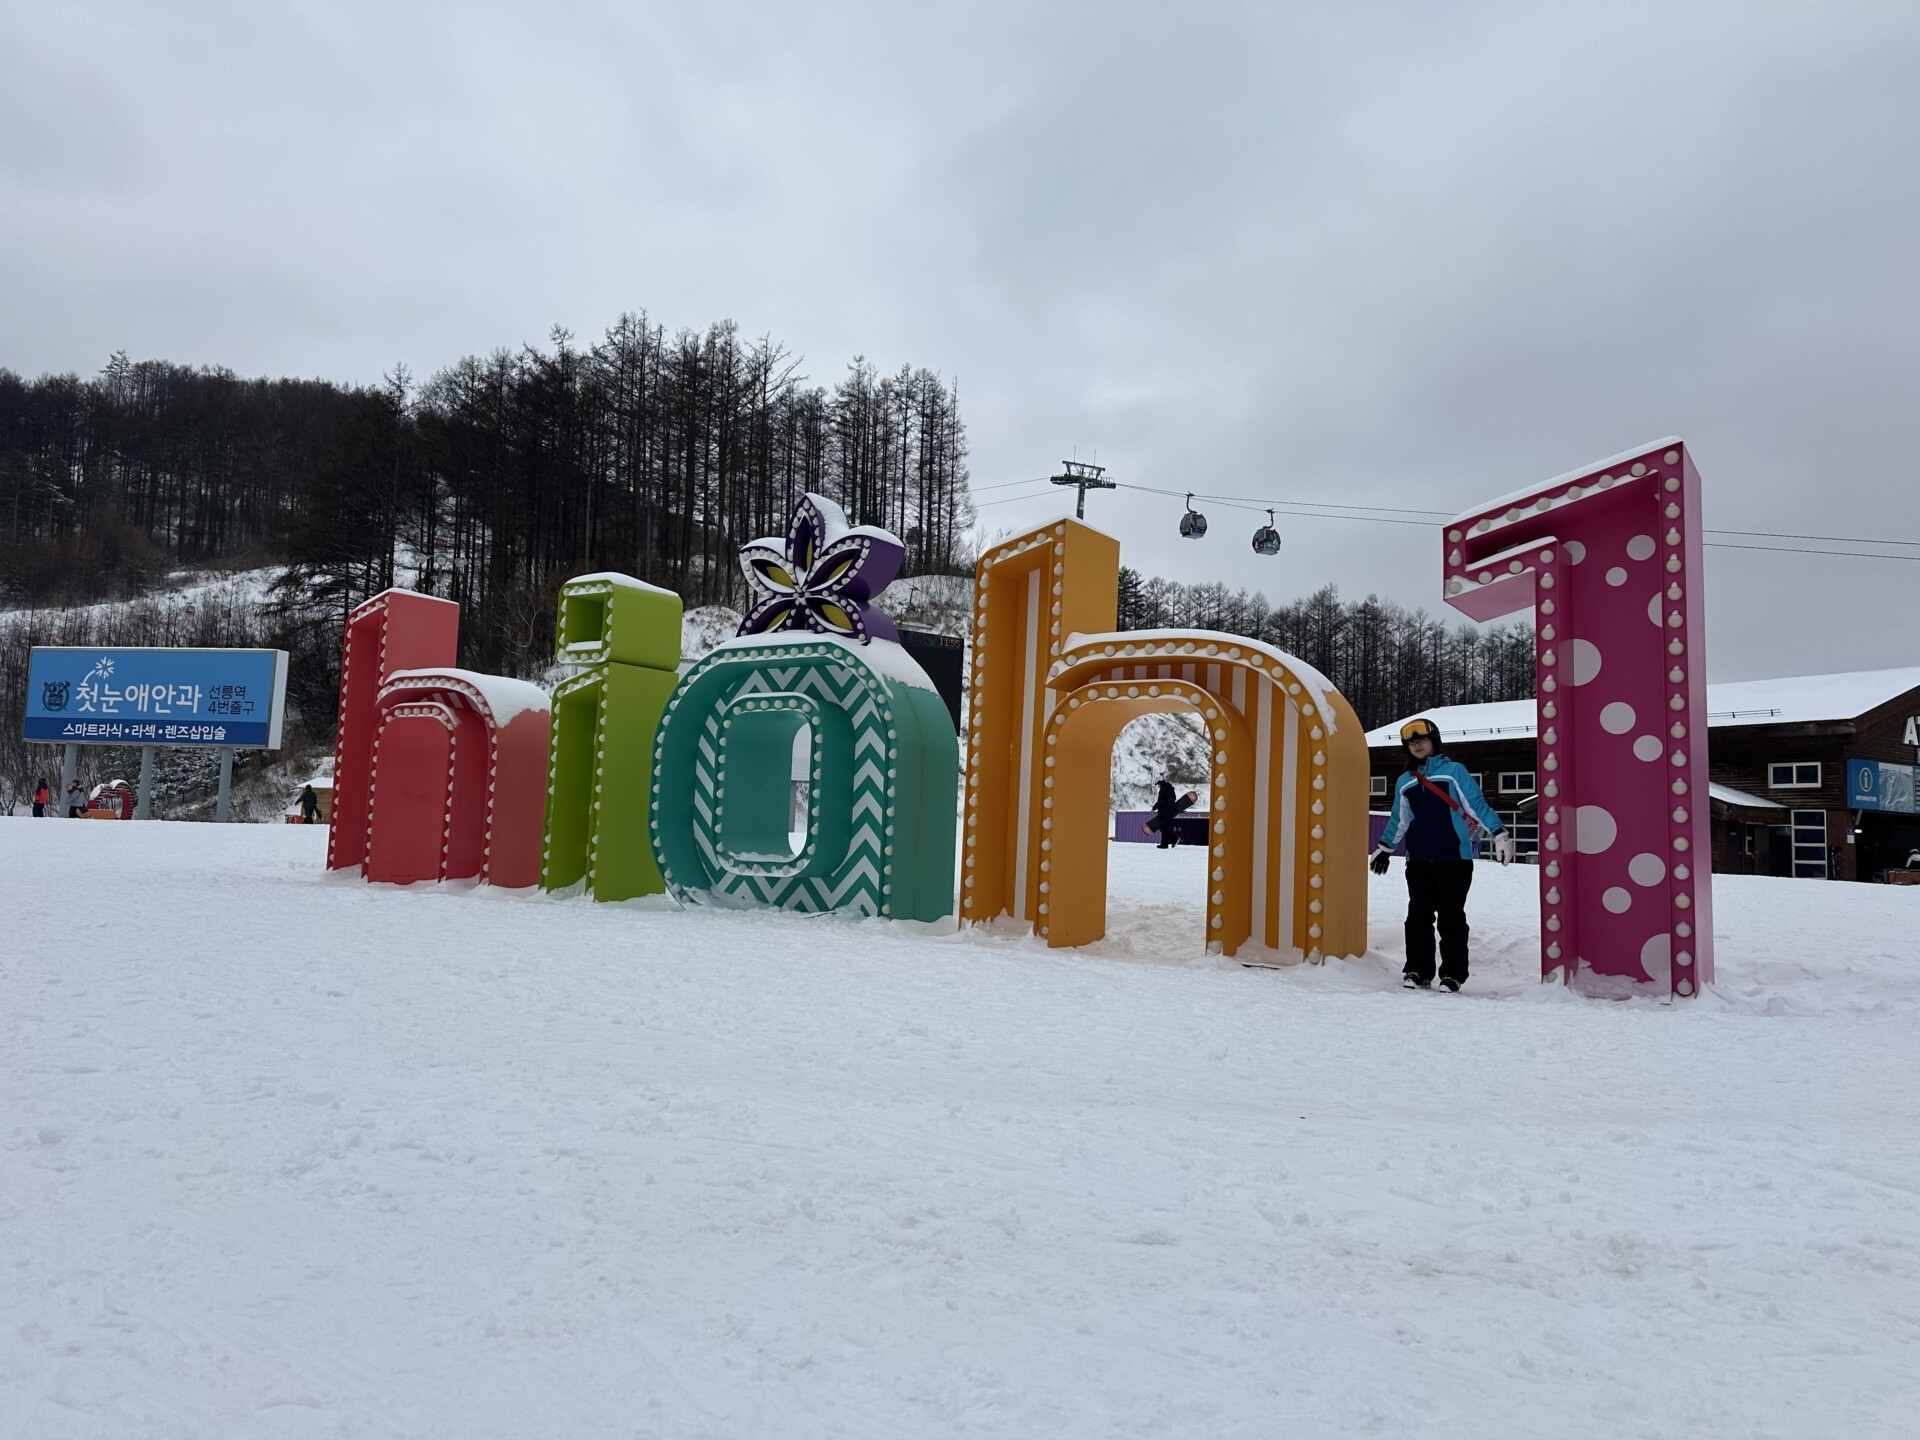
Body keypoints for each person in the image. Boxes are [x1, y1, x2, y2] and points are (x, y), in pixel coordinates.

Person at [1370, 717, 1514, 991]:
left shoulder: (1454, 772)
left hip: (1454, 859)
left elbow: (1476, 806)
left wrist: (1500, 834)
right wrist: (1384, 849)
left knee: (1451, 917)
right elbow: (1399, 820)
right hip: (1419, 861)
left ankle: (1453, 974)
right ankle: (1417, 971)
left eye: (1422, 739)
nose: (1418, 745)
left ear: (1434, 741)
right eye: (1412, 742)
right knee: (1417, 918)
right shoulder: (1405, 781)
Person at [1150, 779, 1182, 849]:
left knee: (1163, 828)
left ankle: (1174, 839)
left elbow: (1161, 801)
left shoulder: (1163, 790)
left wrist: (1154, 808)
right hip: (1170, 812)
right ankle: (1164, 844)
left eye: (1158, 785)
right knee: (1165, 828)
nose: (1158, 786)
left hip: (1164, 812)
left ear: (1160, 784)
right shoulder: (1170, 789)